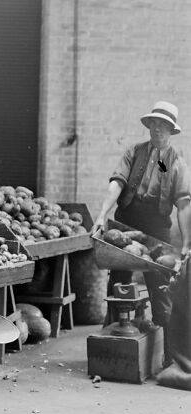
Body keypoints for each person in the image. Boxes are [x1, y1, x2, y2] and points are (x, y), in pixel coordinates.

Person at [91, 101, 191, 364]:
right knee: (118, 286)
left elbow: (183, 205)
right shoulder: (133, 152)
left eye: (164, 126)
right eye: (155, 124)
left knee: (161, 293)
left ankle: (170, 359)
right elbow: (117, 183)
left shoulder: (177, 163)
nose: (158, 130)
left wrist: (186, 242)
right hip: (126, 225)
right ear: (149, 126)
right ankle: (110, 352)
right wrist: (102, 216)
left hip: (157, 231)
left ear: (171, 131)